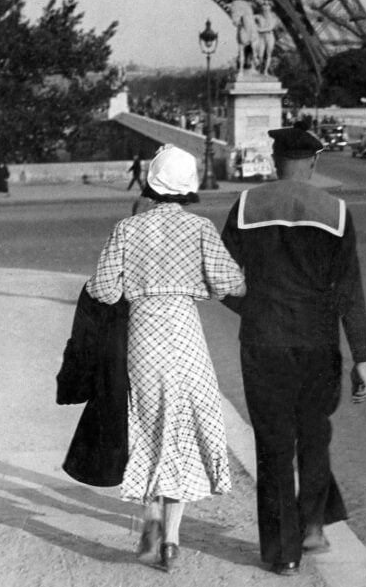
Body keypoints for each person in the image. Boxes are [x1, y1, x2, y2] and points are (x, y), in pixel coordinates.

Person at [85, 144, 246, 572]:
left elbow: (102, 290)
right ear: (188, 188)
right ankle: (172, 540)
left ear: (152, 183)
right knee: (185, 427)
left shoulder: (128, 229)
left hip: (143, 335)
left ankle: (150, 516)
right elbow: (232, 283)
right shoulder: (200, 228)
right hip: (185, 334)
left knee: (148, 422)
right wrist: (201, 285)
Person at [221, 126, 366, 576]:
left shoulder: (246, 206)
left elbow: (222, 277)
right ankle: (312, 526)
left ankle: (282, 554)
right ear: (313, 162)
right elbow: (349, 292)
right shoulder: (337, 212)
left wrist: (253, 308)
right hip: (318, 342)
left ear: (273, 160)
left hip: (263, 341)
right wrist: (362, 357)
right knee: (314, 435)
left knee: (272, 445)